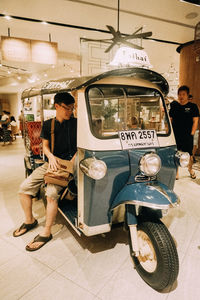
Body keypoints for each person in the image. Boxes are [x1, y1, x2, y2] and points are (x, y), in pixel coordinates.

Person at [13, 92, 77, 251]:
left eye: (72, 108)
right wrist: (51, 157)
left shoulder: (78, 123)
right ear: (57, 106)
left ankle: (46, 232)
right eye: (67, 108)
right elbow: (45, 147)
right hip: (51, 163)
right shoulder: (49, 125)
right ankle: (29, 221)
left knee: (51, 194)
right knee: (24, 189)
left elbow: (81, 147)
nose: (70, 111)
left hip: (69, 165)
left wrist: (71, 162)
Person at [169, 85, 199, 179]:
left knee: (189, 155)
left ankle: (190, 169)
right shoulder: (174, 107)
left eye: (183, 94)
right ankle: (176, 172)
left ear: (187, 95)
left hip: (187, 135)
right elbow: (170, 120)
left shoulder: (193, 107)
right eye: (179, 94)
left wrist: (192, 134)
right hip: (176, 135)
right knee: (176, 154)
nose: (181, 96)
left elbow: (195, 121)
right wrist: (169, 132)